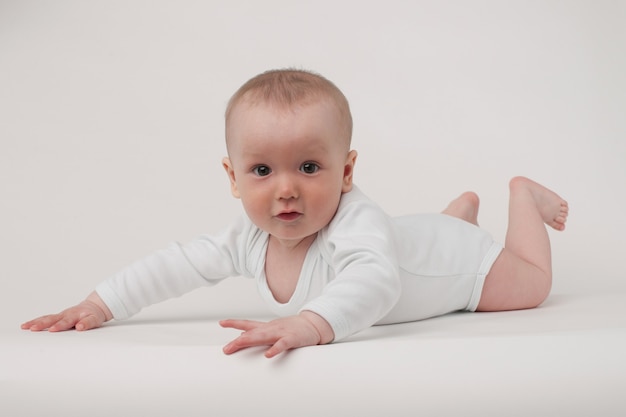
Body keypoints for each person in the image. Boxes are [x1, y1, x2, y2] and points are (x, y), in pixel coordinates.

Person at [21, 69, 569, 358]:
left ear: (346, 172)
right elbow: (180, 263)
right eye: (262, 171)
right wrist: (100, 303)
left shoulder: (357, 222)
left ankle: (522, 197)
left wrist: (312, 323)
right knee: (423, 238)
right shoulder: (247, 238)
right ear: (232, 178)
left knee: (532, 288)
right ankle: (457, 215)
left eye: (309, 167)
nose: (287, 191)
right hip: (421, 239)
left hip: (461, 265)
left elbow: (377, 281)